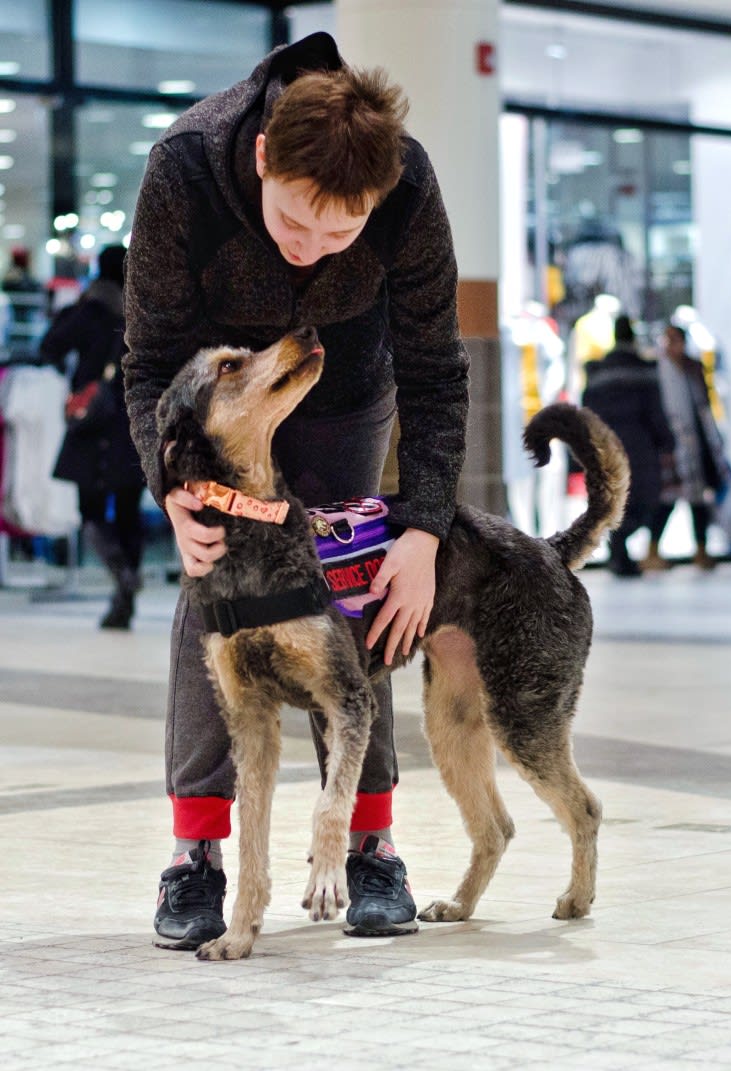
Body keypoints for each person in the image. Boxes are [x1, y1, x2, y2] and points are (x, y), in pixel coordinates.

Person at [122, 32, 470, 948]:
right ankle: (196, 855)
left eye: (342, 233)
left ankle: (371, 845)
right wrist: (172, 488)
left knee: (357, 599)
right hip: (229, 391)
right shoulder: (186, 167)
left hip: (345, 395)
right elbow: (150, 362)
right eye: (294, 225)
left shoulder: (410, 182)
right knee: (219, 601)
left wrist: (424, 529)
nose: (315, 254)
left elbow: (438, 369)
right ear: (266, 155)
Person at [42, 245, 145, 627]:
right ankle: (126, 592)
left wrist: (78, 374)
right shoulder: (141, 309)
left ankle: (122, 578)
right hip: (132, 423)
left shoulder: (90, 309)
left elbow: (49, 345)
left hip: (92, 423)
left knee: (90, 509)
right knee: (129, 510)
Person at [582, 314, 675, 577]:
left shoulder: (598, 372)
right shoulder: (644, 370)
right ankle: (620, 548)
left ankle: (619, 553)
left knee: (616, 499)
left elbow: (587, 412)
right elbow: (656, 411)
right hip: (640, 447)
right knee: (645, 499)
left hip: (606, 447)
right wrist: (667, 442)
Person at [645, 323, 729, 571]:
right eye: (667, 340)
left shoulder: (693, 368)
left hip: (696, 444)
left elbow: (703, 408)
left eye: (676, 340)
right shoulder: (658, 369)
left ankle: (701, 550)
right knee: (668, 499)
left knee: (698, 499)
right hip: (671, 444)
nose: (671, 346)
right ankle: (651, 549)